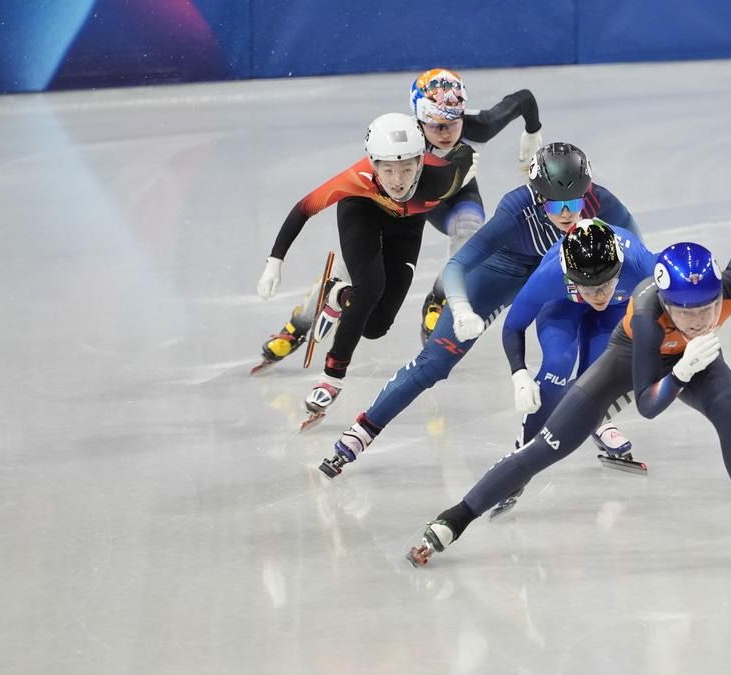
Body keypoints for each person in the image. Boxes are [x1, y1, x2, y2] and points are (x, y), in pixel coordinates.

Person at [405, 230, 731, 566]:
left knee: (727, 407)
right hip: (633, 359)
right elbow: (649, 404)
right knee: (546, 446)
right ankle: (454, 519)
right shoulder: (646, 312)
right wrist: (682, 370)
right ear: (667, 304)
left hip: (696, 361)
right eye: (687, 313)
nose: (700, 321)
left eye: (709, 309)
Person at [317, 142, 645, 478]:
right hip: (504, 270)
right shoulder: (516, 210)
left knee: (591, 331)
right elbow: (457, 265)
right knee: (435, 361)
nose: (565, 213)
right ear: (537, 196)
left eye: (573, 202)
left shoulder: (604, 204)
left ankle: (593, 414)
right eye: (554, 203)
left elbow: (637, 261)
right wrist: (460, 308)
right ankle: (363, 430)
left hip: (559, 275)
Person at [253, 112, 474, 426]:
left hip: (407, 228)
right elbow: (303, 209)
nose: (397, 180)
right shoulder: (357, 178)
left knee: (375, 327)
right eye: (388, 169)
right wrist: (274, 262)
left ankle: (338, 295)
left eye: (407, 168)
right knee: (370, 286)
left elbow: (465, 153)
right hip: (362, 212)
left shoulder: (444, 177)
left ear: (421, 162)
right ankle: (331, 378)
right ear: (373, 164)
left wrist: (470, 152)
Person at [497, 219, 658, 500]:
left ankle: (597, 421)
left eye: (607, 284)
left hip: (618, 309)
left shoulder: (640, 264)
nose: (599, 295)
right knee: (557, 365)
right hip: (562, 305)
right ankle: (520, 457)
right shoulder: (550, 276)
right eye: (589, 288)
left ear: (619, 267)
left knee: (598, 377)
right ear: (570, 277)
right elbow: (513, 326)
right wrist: (519, 374)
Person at [408, 68, 546, 343]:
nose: (446, 132)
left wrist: (533, 133)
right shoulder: (406, 137)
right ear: (419, 121)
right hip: (411, 195)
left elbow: (525, 99)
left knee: (469, 237)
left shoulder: (480, 126)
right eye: (436, 124)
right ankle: (332, 289)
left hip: (459, 196)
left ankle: (439, 297)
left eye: (453, 122)